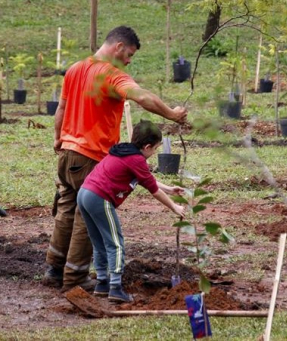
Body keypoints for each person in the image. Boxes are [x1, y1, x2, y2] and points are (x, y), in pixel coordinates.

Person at [43, 25, 188, 293]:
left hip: (66, 154)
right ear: (118, 47)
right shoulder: (111, 74)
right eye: (130, 54)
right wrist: (172, 114)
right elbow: (143, 97)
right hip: (91, 158)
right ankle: (74, 278)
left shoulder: (75, 69)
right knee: (88, 217)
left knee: (65, 211)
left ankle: (53, 269)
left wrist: (58, 138)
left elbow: (61, 108)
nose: (129, 61)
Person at [77, 120, 185, 302]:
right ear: (148, 146)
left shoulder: (124, 151)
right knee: (116, 243)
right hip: (99, 197)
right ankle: (115, 288)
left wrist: (169, 189)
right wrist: (174, 206)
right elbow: (153, 190)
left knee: (99, 242)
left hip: (84, 194)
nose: (155, 153)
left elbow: (146, 179)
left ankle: (102, 283)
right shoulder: (136, 159)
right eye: (155, 149)